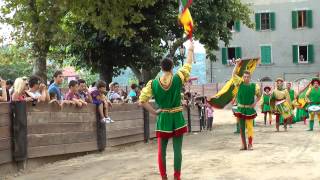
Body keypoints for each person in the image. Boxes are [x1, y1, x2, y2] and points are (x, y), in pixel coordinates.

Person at [139, 41, 194, 180]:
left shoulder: (153, 82)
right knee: (177, 150)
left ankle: (164, 177)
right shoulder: (178, 77)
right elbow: (188, 65)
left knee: (161, 152)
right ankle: (177, 177)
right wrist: (191, 50)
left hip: (163, 118)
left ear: (161, 67)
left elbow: (142, 101)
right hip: (177, 117)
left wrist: (154, 111)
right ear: (172, 67)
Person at [232, 60, 261, 150]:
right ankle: (243, 145)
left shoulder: (254, 86)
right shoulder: (239, 83)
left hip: (249, 110)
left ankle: (250, 144)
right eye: (244, 77)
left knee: (250, 127)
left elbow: (259, 95)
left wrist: (255, 102)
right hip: (240, 109)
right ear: (243, 77)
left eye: (247, 77)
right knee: (241, 128)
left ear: (250, 77)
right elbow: (233, 74)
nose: (246, 78)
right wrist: (237, 64)